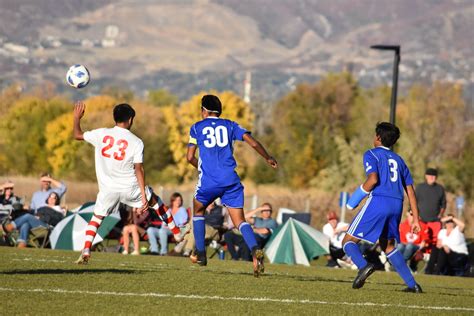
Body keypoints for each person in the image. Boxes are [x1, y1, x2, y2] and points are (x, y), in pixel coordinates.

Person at [186, 94, 277, 277]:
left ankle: (201, 254)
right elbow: (252, 142)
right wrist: (268, 157)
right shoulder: (230, 125)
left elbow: (189, 157)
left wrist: (202, 169)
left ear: (204, 110)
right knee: (239, 221)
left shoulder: (196, 127)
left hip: (209, 181)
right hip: (231, 180)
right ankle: (254, 250)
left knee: (197, 210)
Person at [342, 122, 422, 293]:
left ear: (378, 137)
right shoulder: (400, 160)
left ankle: (363, 266)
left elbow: (373, 180)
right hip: (397, 205)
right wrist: (415, 219)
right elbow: (411, 192)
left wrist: (353, 200)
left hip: (379, 202)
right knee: (388, 246)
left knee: (348, 241)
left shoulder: (371, 154)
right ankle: (412, 285)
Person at [73, 101, 150, 264]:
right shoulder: (136, 141)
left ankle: (86, 248)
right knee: (155, 200)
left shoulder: (101, 133)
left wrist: (76, 118)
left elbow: (77, 135)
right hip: (129, 187)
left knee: (97, 218)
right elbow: (139, 169)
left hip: (108, 189)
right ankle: (177, 231)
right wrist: (143, 196)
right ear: (130, 120)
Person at [416, 168, 447, 274]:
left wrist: (440, 214)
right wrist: (413, 215)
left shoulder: (440, 189)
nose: (432, 178)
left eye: (434, 176)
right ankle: (414, 263)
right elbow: (413, 202)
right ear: (426, 176)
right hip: (421, 221)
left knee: (436, 243)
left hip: (434, 221)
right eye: (430, 176)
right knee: (419, 241)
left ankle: (433, 267)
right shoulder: (420, 188)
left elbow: (443, 204)